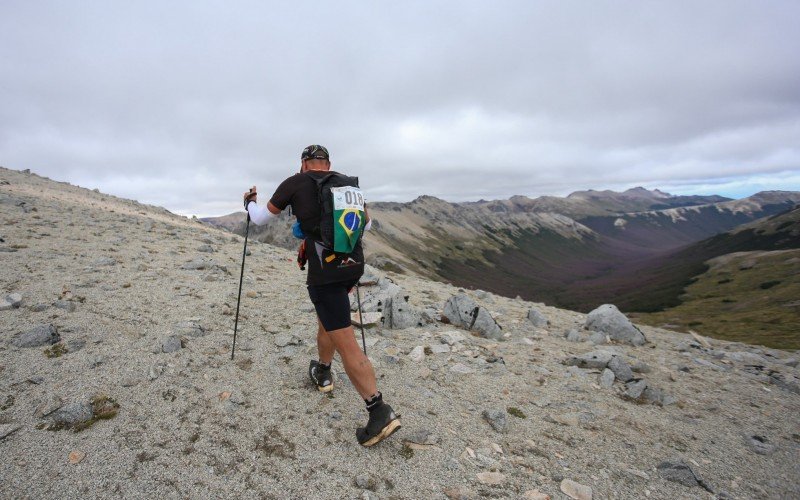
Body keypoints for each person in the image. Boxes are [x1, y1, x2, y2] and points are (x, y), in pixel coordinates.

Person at [243, 145, 400, 447]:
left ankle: (378, 410)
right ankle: (323, 372)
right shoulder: (345, 183)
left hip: (325, 272)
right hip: (351, 265)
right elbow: (367, 224)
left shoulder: (295, 182)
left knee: (347, 342)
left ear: (303, 164)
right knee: (329, 319)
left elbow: (261, 219)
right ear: (327, 163)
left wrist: (250, 203)